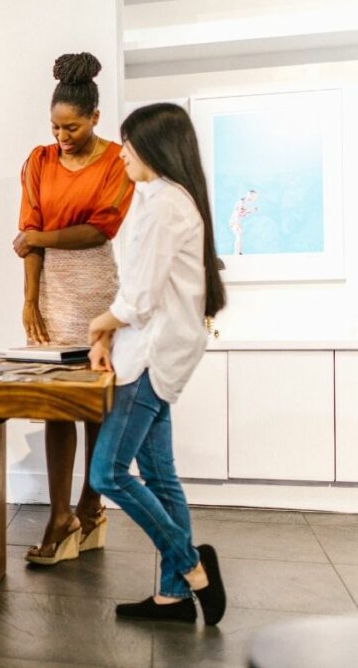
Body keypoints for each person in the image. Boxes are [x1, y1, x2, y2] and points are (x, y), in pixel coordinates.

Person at [87, 102, 228, 625]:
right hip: (150, 352)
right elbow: (141, 288)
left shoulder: (167, 203)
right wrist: (110, 334)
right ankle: (171, 598)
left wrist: (99, 326)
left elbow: (140, 296)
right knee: (161, 476)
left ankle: (191, 568)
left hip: (149, 355)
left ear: (155, 148)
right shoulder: (160, 199)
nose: (121, 152)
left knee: (106, 473)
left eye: (129, 143)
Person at [13, 52, 134, 565]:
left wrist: (36, 236)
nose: (63, 136)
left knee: (94, 405)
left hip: (96, 287)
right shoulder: (39, 161)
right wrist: (28, 299)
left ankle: (91, 506)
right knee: (53, 404)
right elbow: (28, 240)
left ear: (95, 119)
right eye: (56, 127)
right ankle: (59, 516)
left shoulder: (114, 161)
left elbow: (99, 230)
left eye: (73, 127)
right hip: (53, 292)